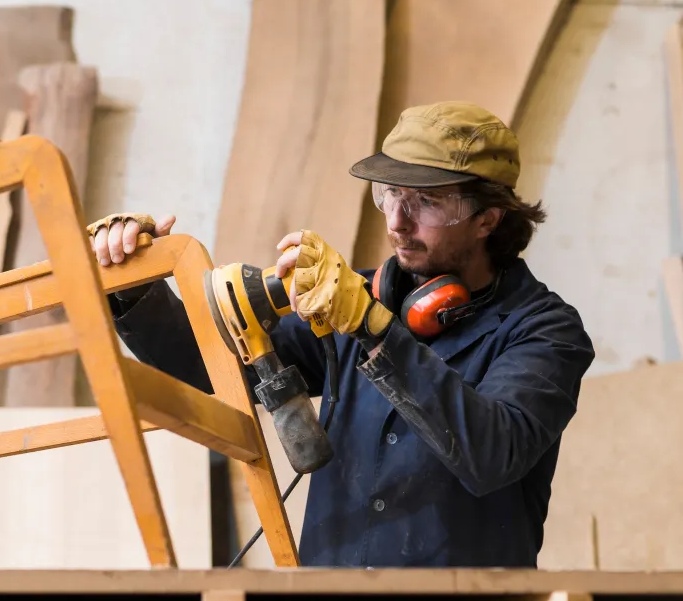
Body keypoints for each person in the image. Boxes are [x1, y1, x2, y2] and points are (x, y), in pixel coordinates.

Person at [86, 101, 595, 568]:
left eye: (427, 202)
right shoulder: (353, 298)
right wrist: (135, 289)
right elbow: (212, 369)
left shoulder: (545, 331)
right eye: (391, 194)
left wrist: (375, 332)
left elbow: (493, 454)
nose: (397, 222)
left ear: (487, 217)